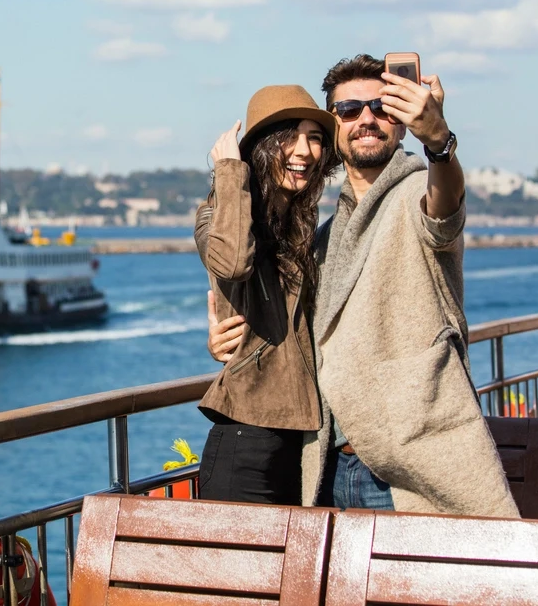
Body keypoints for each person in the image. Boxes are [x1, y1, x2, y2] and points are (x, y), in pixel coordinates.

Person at [207, 55, 519, 518]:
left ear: (401, 122)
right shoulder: (325, 235)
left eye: (382, 106)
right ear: (334, 127)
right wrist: (229, 330)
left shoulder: (416, 191)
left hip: (405, 470)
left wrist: (437, 140)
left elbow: (444, 206)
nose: (366, 119)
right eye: (349, 110)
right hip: (325, 468)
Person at [193, 85, 340, 505]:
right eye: (289, 137)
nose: (305, 150)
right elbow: (233, 262)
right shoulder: (214, 218)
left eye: (315, 138)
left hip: (301, 441)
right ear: (260, 148)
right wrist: (229, 171)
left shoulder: (299, 225)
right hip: (246, 440)